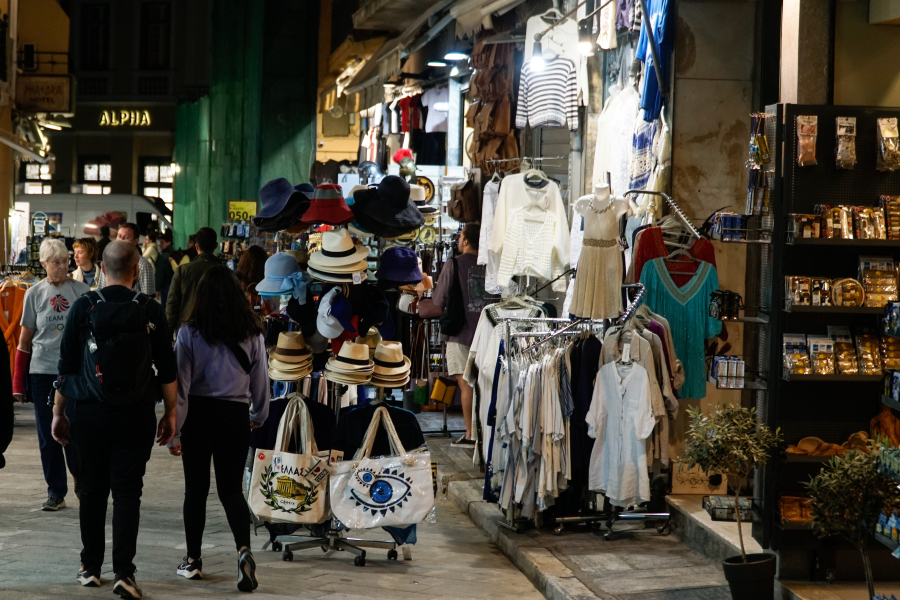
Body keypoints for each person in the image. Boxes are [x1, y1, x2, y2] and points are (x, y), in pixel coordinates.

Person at [51, 241, 177, 599]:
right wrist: (170, 414)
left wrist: (59, 414)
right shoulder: (151, 310)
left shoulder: (83, 307)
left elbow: (67, 369)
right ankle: (125, 573)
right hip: (136, 414)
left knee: (90, 491)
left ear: (102, 270)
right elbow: (167, 370)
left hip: (89, 413)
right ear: (137, 270)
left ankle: (90, 567)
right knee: (127, 494)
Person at [167, 266, 267, 591]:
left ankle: (193, 561)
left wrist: (176, 429)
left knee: (195, 490)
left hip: (197, 414)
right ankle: (244, 551)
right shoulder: (252, 332)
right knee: (231, 490)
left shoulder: (189, 333)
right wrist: (259, 414)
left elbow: (180, 388)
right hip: (235, 415)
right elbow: (261, 381)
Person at [12, 238, 90, 509]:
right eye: (56, 262)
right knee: (48, 435)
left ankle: (81, 479)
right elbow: (24, 342)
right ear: (43, 264)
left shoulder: (82, 291)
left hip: (74, 373)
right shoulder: (33, 293)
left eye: (66, 262)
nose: (62, 267)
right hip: (43, 372)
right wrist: (17, 382)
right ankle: (56, 491)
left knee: (76, 431)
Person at [432, 223, 482, 447]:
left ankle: (471, 434)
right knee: (485, 383)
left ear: (466, 241)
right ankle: (485, 433)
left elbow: (438, 300)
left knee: (466, 385)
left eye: (460, 236)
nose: (458, 240)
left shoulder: (453, 264)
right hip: (486, 333)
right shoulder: (490, 265)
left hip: (460, 332)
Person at [166, 227, 219, 331]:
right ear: (216, 245)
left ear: (196, 246)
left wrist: (168, 333)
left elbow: (172, 305)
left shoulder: (183, 270)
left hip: (187, 331)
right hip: (216, 331)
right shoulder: (225, 271)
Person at [95, 223, 156, 296]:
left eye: (126, 237)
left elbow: (148, 298)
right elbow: (101, 290)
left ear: (136, 241)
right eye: (119, 236)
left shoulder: (143, 265)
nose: (121, 240)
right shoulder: (108, 260)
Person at [155, 230, 175, 307]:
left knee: (165, 308)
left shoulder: (162, 257)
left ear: (168, 242)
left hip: (166, 285)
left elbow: (160, 273)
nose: (160, 245)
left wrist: (157, 288)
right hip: (175, 284)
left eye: (162, 242)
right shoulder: (176, 253)